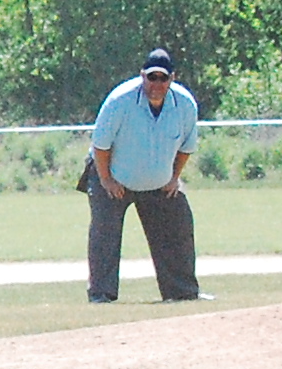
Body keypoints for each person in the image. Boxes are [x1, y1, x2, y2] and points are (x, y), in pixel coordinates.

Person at [84, 48, 204, 304]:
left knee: (179, 225)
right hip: (112, 177)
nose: (156, 84)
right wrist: (106, 180)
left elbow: (186, 147)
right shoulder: (120, 101)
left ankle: (182, 292)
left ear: (172, 78)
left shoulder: (185, 104)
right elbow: (101, 146)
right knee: (105, 232)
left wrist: (174, 177)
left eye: (163, 78)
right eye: (152, 77)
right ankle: (101, 294)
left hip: (158, 183)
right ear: (142, 76)